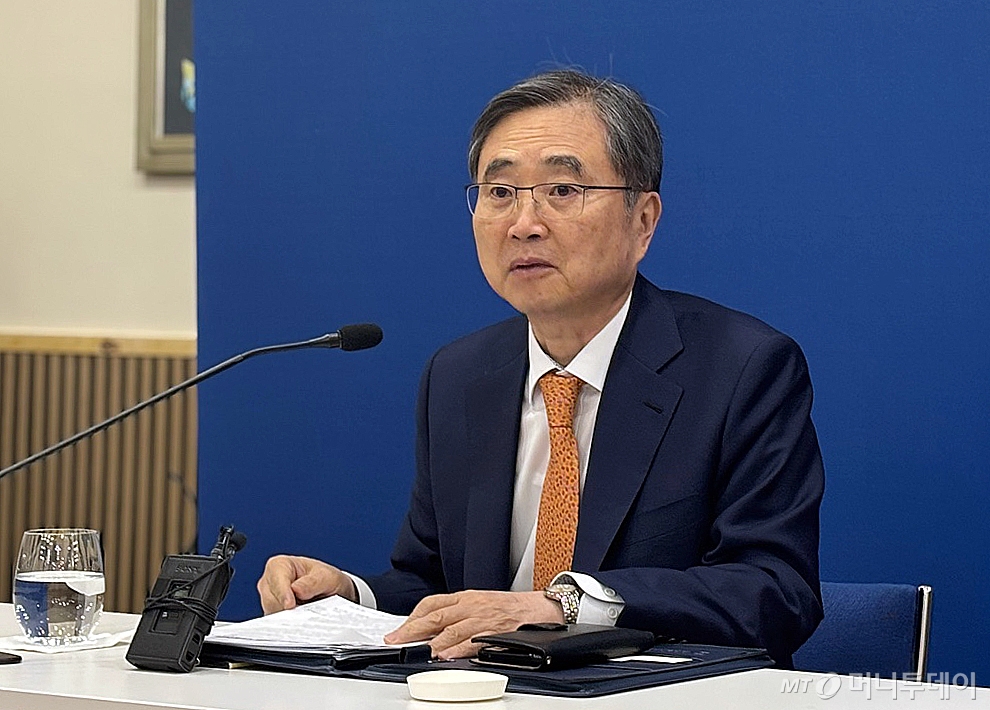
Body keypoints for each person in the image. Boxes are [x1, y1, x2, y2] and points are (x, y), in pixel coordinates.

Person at [257, 69, 824, 666]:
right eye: (500, 193)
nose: (523, 224)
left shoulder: (741, 369)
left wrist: (565, 606)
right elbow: (435, 584)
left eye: (562, 189)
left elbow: (774, 591)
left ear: (643, 220)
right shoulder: (458, 376)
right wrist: (349, 596)